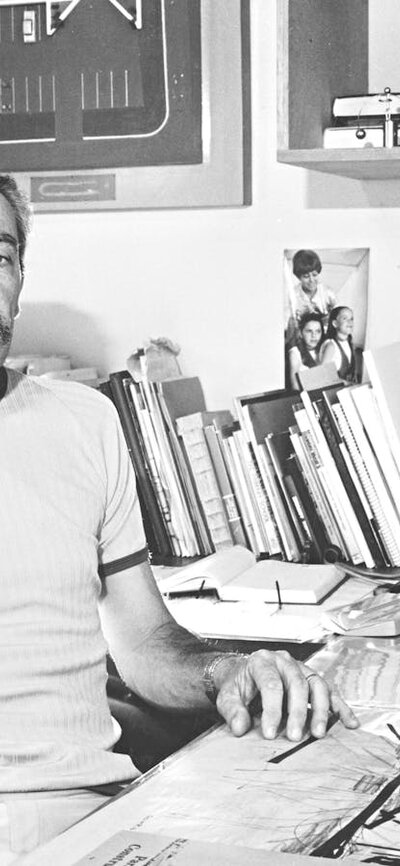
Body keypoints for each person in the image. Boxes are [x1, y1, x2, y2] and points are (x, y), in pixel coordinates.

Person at [0, 175, 358, 860]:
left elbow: (141, 644)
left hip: (104, 818)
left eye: (0, 255)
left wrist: (230, 669)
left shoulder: (86, 421)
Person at [285, 249, 336, 348]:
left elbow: (339, 315)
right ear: (298, 277)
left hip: (325, 339)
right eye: (306, 276)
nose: (311, 280)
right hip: (302, 341)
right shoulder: (293, 295)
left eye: (314, 275)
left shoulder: (328, 293)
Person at [287, 310, 324, 391]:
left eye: (318, 331)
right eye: (309, 331)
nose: (314, 336)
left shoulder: (323, 349)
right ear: (300, 333)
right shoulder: (295, 352)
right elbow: (295, 386)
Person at [319, 305, 357, 383]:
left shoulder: (349, 343)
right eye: (344, 318)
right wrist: (346, 383)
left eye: (351, 319)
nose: (349, 322)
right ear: (335, 323)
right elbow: (322, 375)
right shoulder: (331, 345)